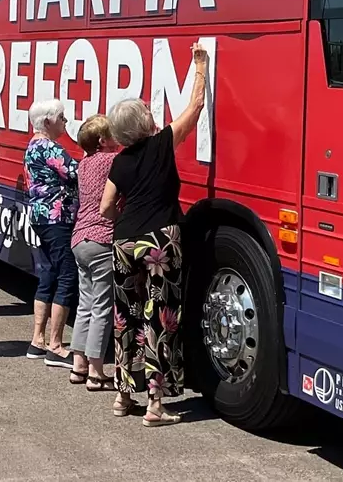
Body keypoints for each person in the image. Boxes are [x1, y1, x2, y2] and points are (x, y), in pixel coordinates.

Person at [102, 41, 209, 425]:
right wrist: (200, 65)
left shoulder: (119, 162)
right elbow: (194, 108)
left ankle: (122, 396)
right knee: (160, 319)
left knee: (125, 317)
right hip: (161, 240)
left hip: (124, 241)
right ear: (144, 123)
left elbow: (105, 208)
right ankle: (155, 405)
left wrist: (126, 214)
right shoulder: (163, 143)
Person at [23, 98, 79, 368]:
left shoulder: (32, 146)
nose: (65, 122)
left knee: (48, 273)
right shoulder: (49, 147)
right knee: (67, 273)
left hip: (40, 216)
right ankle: (56, 345)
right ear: (47, 122)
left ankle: (38, 340)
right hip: (57, 217)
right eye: (62, 118)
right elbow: (76, 173)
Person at [69, 115, 120, 391]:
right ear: (103, 141)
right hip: (102, 237)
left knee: (85, 304)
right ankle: (96, 372)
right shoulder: (109, 160)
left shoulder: (83, 163)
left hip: (80, 238)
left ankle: (78, 365)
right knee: (101, 307)